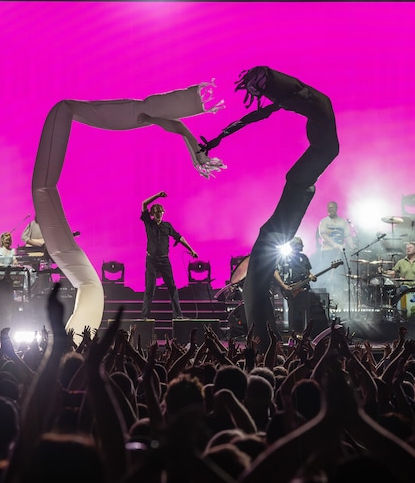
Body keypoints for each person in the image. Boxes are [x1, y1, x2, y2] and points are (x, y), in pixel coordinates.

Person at [198, 67, 340, 348]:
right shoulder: (296, 100)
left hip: (310, 168)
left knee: (269, 240)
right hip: (308, 171)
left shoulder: (304, 95)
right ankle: (264, 342)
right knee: (266, 248)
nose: (262, 95)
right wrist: (220, 137)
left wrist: (220, 137)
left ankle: (264, 343)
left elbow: (261, 110)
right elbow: (254, 115)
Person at [139, 191, 198, 319]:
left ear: (163, 213)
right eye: (156, 213)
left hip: (164, 260)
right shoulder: (149, 224)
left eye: (160, 212)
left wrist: (191, 250)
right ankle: (144, 316)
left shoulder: (167, 226)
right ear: (152, 214)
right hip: (151, 260)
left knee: (172, 287)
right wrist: (157, 196)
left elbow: (179, 237)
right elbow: (144, 203)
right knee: (150, 288)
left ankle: (178, 315)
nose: (159, 215)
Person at [273, 237, 317, 336]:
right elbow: (275, 272)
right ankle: (292, 333)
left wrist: (311, 276)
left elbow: (308, 272)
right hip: (290, 288)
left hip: (304, 288)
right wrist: (283, 285)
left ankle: (305, 333)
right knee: (291, 310)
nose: (303, 246)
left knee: (305, 310)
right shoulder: (283, 257)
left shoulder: (304, 257)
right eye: (300, 244)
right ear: (294, 246)